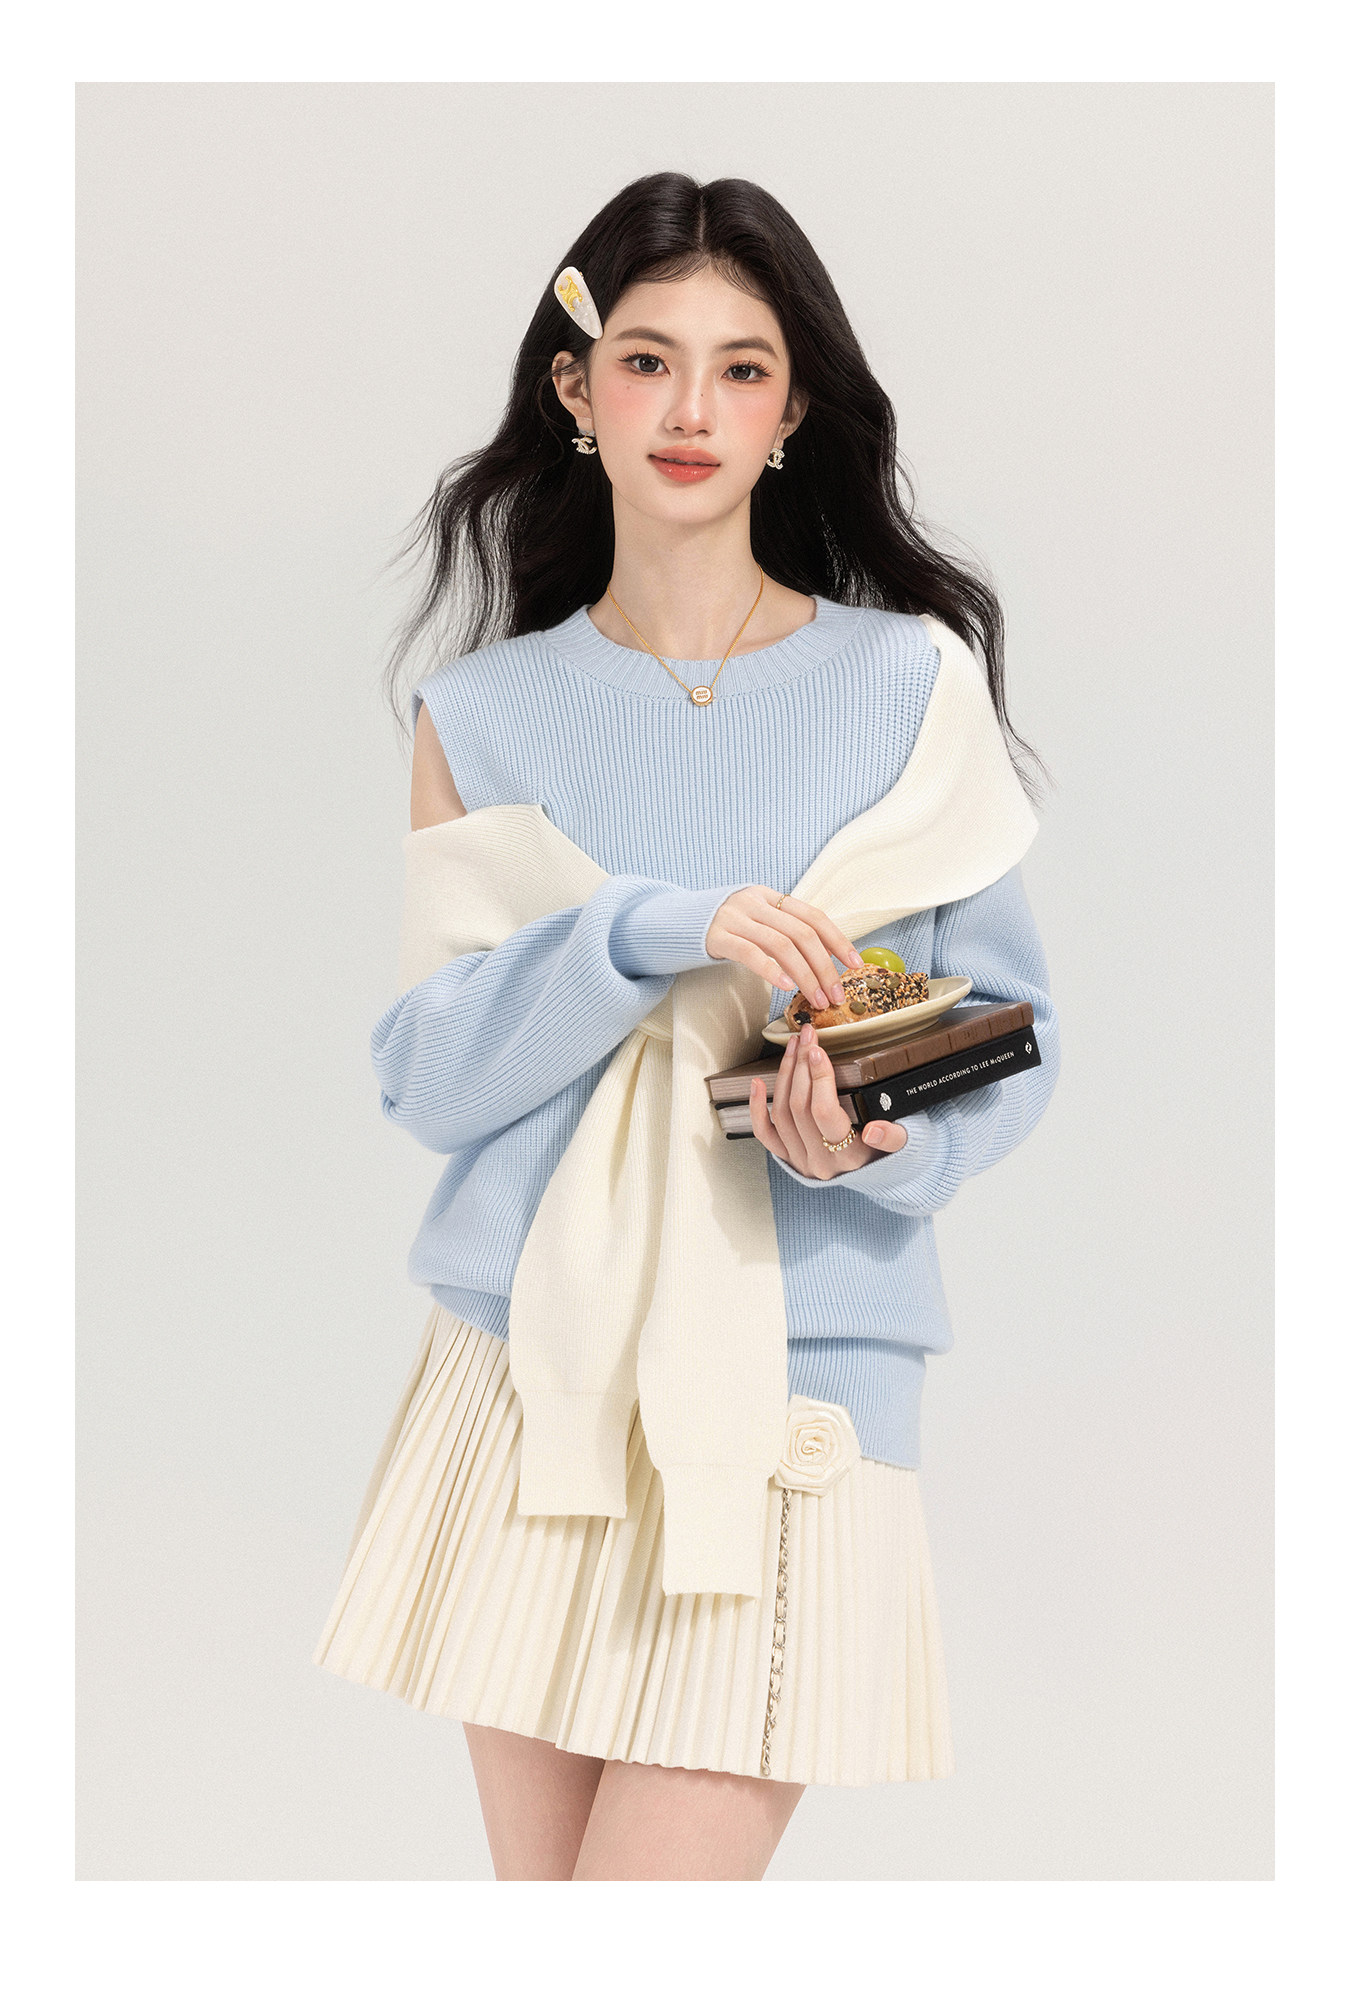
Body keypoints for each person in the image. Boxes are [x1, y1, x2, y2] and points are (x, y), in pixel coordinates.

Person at [314, 171, 1060, 1880]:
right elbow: (428, 1072)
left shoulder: (907, 684)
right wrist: (648, 927)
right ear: (574, 390)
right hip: (530, 1385)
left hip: (800, 1374)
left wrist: (870, 1145)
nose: (690, 409)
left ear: (791, 412)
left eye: (741, 368)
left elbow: (1011, 1028)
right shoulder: (481, 713)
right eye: (647, 360)